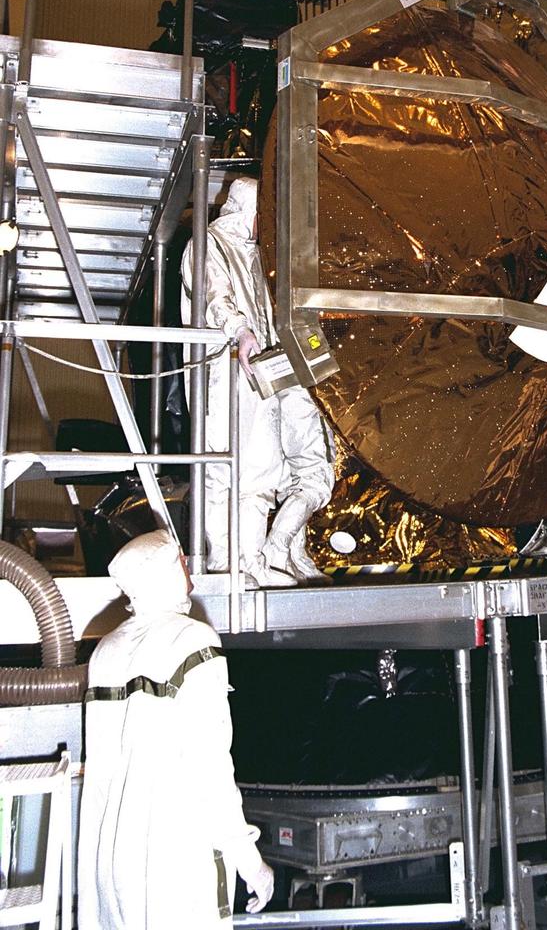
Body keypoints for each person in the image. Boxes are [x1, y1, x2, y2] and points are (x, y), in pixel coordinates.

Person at [77, 530, 275, 929]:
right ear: (163, 574)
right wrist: (251, 863)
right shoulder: (191, 641)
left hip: (111, 860)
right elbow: (210, 767)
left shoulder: (106, 649)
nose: (189, 567)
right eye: (181, 561)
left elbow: (98, 775)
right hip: (175, 860)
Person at [181, 177, 335, 585]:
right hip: (224, 374)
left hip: (259, 376)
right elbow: (214, 293)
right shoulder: (209, 243)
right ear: (249, 211)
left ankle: (251, 562)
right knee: (225, 471)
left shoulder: (253, 255)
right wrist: (240, 331)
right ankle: (223, 563)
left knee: (262, 472)